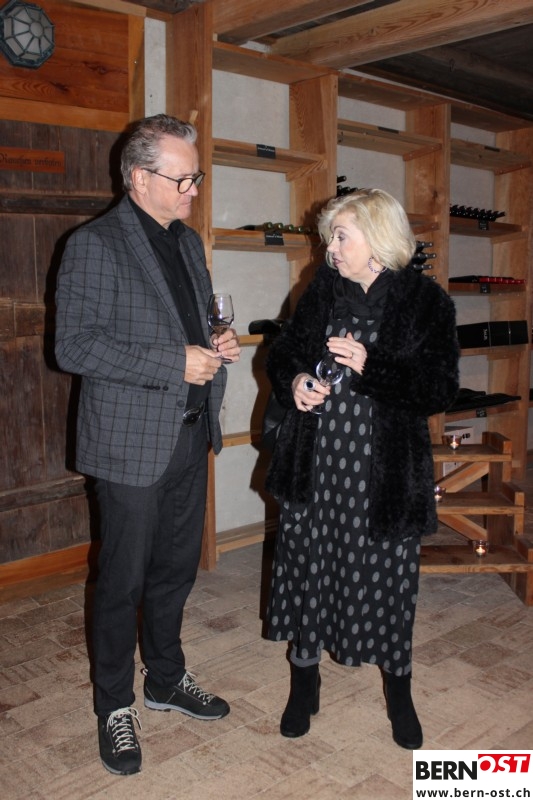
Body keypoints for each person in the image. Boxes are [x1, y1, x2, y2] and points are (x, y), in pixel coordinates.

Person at [55, 114, 240, 776]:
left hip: (190, 433)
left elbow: (189, 327)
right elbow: (73, 345)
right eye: (182, 178)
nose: (193, 189)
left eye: (196, 176)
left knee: (174, 571)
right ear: (139, 178)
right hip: (129, 443)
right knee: (121, 582)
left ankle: (165, 676)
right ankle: (113, 705)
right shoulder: (94, 244)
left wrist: (215, 343)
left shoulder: (186, 242)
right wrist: (173, 361)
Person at [264, 188, 459, 748]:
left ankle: (400, 694)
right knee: (310, 568)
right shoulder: (322, 289)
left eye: (341, 236)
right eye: (331, 237)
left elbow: (439, 390)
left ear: (376, 237)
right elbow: (284, 353)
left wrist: (374, 368)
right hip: (317, 462)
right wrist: (298, 382)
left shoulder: (426, 302)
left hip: (384, 475)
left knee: (387, 582)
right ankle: (304, 685)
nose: (331, 247)